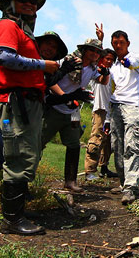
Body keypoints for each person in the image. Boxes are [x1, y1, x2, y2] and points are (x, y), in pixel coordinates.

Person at [0, 0, 63, 235]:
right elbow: (3, 57)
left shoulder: (24, 33)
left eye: (32, 2)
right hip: (15, 102)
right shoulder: (7, 26)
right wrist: (42, 64)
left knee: (26, 154)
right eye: (23, 1)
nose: (30, 5)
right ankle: (11, 220)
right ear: (10, 5)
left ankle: (17, 211)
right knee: (18, 154)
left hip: (28, 102)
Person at [38, 33, 103, 193]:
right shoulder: (69, 62)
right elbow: (51, 83)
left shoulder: (93, 69)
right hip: (54, 107)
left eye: (97, 52)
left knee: (74, 145)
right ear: (85, 51)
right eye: (92, 51)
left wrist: (106, 72)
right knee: (38, 142)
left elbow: (102, 80)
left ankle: (71, 181)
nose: (95, 54)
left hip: (72, 112)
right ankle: (25, 178)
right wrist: (66, 97)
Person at [108, 30, 139, 204]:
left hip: (132, 105)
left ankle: (131, 188)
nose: (118, 45)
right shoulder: (114, 65)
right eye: (115, 43)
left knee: (133, 145)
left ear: (127, 43)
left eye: (121, 42)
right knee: (117, 145)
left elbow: (136, 62)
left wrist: (128, 61)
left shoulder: (135, 58)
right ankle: (124, 183)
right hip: (115, 105)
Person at [84, 47, 116, 181]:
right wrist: (100, 40)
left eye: (112, 60)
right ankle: (90, 171)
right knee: (96, 141)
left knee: (107, 144)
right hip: (100, 110)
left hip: (109, 112)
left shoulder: (110, 74)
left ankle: (104, 168)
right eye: (107, 58)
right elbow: (97, 58)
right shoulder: (96, 72)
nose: (109, 62)